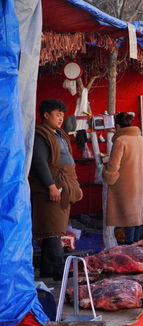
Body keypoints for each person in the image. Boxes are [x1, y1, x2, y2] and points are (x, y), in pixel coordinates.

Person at [30, 99, 83, 280]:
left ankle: (47, 270)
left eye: (62, 115)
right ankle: (59, 270)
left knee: (55, 229)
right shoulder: (40, 135)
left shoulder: (59, 134)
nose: (61, 118)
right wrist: (51, 186)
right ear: (46, 115)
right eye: (57, 115)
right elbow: (39, 163)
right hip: (50, 186)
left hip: (64, 184)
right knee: (52, 229)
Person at [103, 112, 143, 244]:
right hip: (139, 184)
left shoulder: (120, 141)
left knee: (127, 220)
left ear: (117, 126)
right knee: (136, 219)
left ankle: (128, 250)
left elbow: (113, 168)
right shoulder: (142, 140)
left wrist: (107, 174)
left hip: (123, 186)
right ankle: (135, 248)